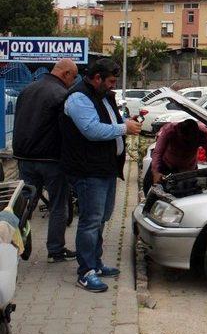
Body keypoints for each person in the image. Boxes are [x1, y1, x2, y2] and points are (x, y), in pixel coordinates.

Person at [60, 59, 142, 293]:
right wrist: (124, 128)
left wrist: (125, 123)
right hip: (88, 171)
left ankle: (95, 263)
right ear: (97, 78)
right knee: (90, 221)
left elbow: (111, 122)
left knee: (102, 218)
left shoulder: (104, 95)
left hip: (105, 169)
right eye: (111, 81)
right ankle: (85, 272)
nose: (114, 85)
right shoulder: (78, 98)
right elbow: (92, 130)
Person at [12, 58, 78, 263]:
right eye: (73, 77)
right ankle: (55, 250)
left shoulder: (27, 90)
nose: (74, 81)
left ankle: (11, 247)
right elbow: (67, 130)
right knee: (58, 205)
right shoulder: (61, 95)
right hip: (51, 160)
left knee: (22, 206)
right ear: (65, 74)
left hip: (24, 158)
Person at [149, 119, 207, 186]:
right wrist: (156, 172)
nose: (185, 143)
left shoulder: (203, 134)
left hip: (188, 168)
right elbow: (158, 152)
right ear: (178, 131)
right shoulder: (169, 130)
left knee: (187, 191)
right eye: (183, 139)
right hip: (167, 165)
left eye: (189, 140)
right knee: (151, 185)